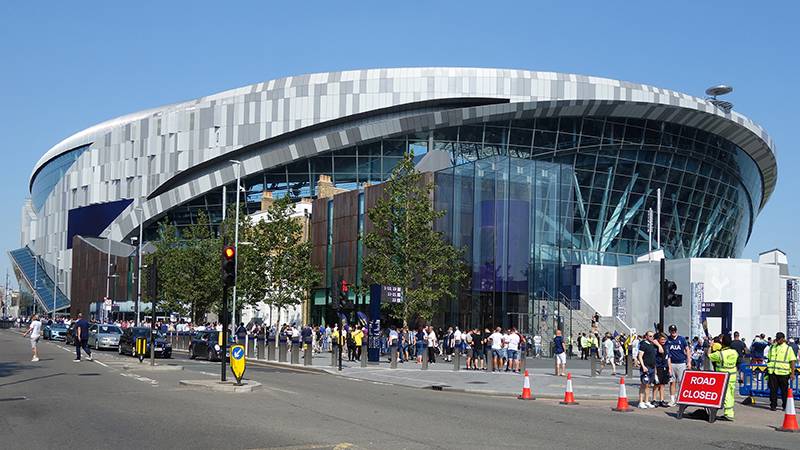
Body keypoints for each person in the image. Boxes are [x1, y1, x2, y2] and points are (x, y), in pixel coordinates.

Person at [708, 334, 738, 420]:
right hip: (732, 375)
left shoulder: (720, 354)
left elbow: (709, 356)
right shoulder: (734, 352)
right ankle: (730, 412)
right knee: (731, 394)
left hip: (723, 376)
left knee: (726, 395)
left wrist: (710, 346)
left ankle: (728, 414)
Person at [767, 332, 798, 411]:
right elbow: (769, 359)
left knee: (784, 391)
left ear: (783, 339)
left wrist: (792, 373)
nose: (777, 340)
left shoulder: (788, 348)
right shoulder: (772, 347)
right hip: (773, 372)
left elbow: (792, 361)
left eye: (779, 339)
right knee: (773, 390)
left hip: (783, 373)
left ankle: (785, 406)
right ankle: (773, 405)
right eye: (776, 338)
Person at [665, 324, 691, 407]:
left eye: (674, 330)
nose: (673, 332)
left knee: (681, 382)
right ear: (669, 331)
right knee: (672, 382)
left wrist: (689, 362)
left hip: (681, 363)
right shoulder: (668, 340)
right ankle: (672, 400)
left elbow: (687, 350)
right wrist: (669, 367)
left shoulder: (682, 339)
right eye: (672, 331)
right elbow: (667, 354)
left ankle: (682, 399)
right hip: (672, 363)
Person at [637, 331, 657, 408]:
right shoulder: (643, 344)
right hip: (646, 367)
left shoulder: (652, 344)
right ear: (646, 336)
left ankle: (647, 401)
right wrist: (643, 366)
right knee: (643, 384)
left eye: (652, 336)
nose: (652, 337)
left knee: (648, 385)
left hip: (652, 367)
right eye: (650, 336)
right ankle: (641, 402)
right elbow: (640, 356)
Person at [652, 333, 671, 407]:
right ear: (659, 340)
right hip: (658, 366)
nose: (663, 341)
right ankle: (654, 400)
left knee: (662, 384)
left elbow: (668, 357)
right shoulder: (655, 347)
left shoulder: (667, 346)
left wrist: (670, 368)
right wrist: (655, 370)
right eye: (662, 339)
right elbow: (654, 359)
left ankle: (661, 400)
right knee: (656, 384)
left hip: (665, 367)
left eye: (664, 339)